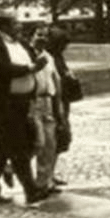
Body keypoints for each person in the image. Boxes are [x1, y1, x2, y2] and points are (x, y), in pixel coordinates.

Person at [0, 11, 50, 205]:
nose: (20, 26)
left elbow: (33, 60)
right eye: (16, 23)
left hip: (22, 102)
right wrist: (29, 69)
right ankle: (30, 190)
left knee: (2, 147)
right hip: (2, 103)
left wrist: (37, 52)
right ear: (4, 27)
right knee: (17, 145)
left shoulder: (21, 43)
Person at [44, 27, 79, 188]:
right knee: (50, 140)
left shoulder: (57, 57)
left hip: (62, 102)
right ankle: (45, 177)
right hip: (54, 104)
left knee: (59, 140)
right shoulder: (50, 58)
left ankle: (49, 175)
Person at [28, 28, 60, 194]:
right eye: (39, 34)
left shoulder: (49, 57)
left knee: (49, 144)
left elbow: (55, 80)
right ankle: (10, 167)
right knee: (38, 142)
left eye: (46, 36)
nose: (42, 39)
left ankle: (43, 182)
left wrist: (58, 106)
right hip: (34, 101)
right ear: (32, 36)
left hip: (48, 100)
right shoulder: (27, 54)